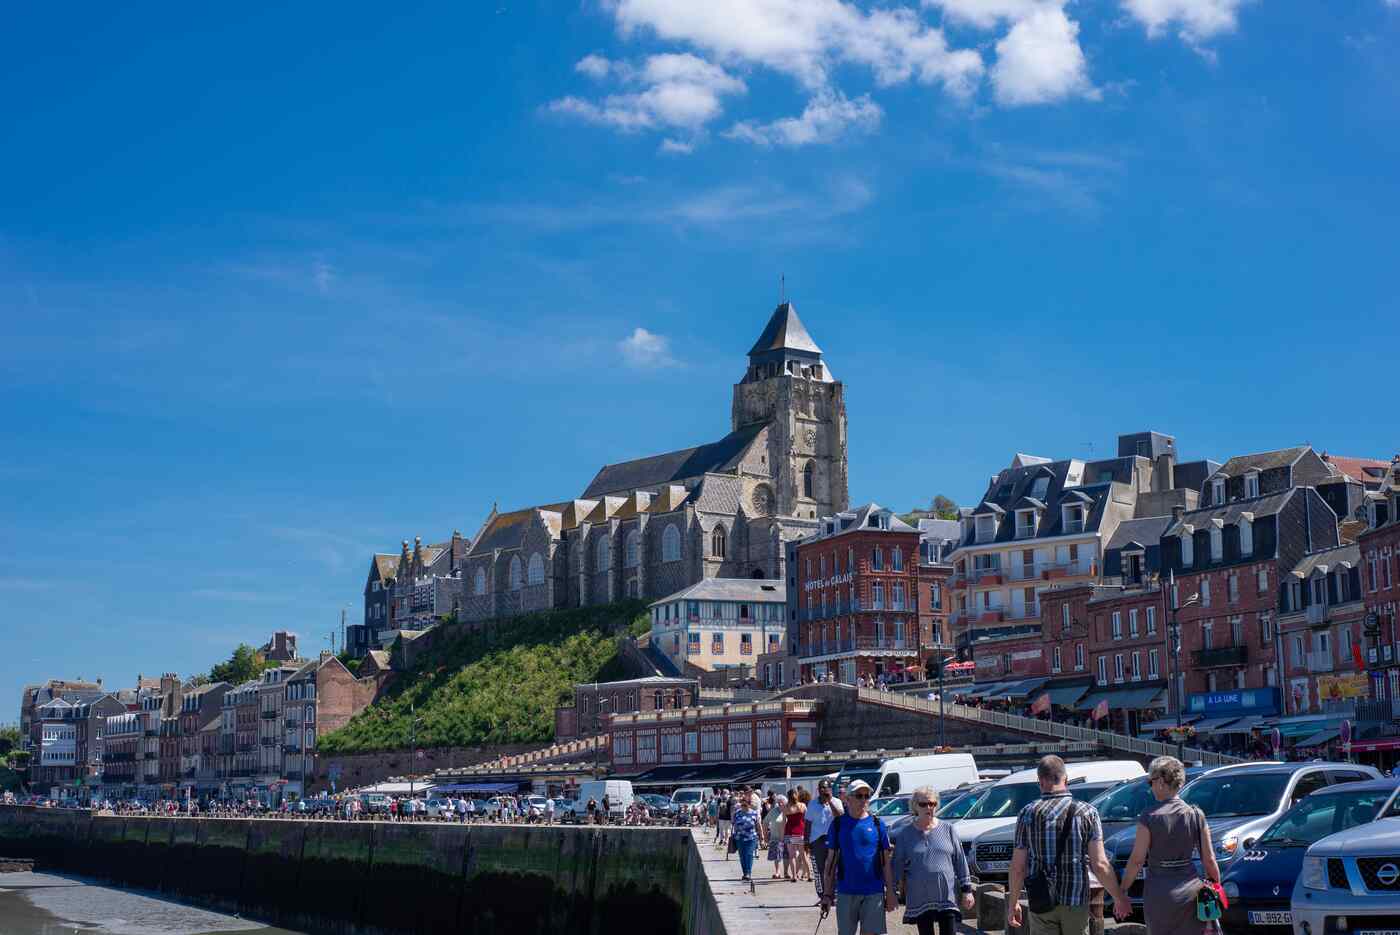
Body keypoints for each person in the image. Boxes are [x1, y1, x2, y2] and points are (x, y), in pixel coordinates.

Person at [1006, 755, 1130, 935]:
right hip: (1075, 898)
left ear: (1040, 781)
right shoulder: (1088, 812)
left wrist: (1013, 903)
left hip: (1041, 899)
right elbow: (1100, 864)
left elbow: (1018, 867)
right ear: (1066, 779)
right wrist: (1119, 897)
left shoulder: (1027, 814)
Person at [1119, 756, 1221, 935]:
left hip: (1158, 893)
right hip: (1191, 891)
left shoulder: (1149, 816)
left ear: (1160, 782)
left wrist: (1123, 891)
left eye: (1150, 781)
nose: (1149, 787)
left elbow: (1136, 861)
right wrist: (1217, 888)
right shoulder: (1196, 815)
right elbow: (1209, 860)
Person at [891, 786, 974, 935]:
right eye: (923, 804)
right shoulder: (906, 833)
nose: (928, 807)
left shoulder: (948, 829)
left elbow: (960, 860)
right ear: (915, 806)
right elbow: (896, 864)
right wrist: (892, 892)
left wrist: (967, 890)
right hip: (920, 896)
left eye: (932, 804)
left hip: (946, 896)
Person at [821, 779, 894, 935]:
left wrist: (890, 892)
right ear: (847, 799)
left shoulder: (877, 824)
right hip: (846, 891)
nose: (864, 800)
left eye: (866, 796)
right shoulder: (838, 825)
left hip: (874, 892)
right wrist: (827, 894)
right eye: (859, 796)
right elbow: (830, 863)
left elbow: (885, 863)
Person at [807, 779, 845, 902]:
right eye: (820, 788)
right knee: (821, 869)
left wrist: (829, 802)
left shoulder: (836, 801)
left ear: (830, 789)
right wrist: (806, 841)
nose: (823, 790)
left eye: (825, 787)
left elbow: (840, 816)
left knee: (835, 868)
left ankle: (835, 894)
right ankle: (824, 896)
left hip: (834, 839)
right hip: (818, 840)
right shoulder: (812, 804)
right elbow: (808, 823)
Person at [731, 786, 766, 883]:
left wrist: (762, 837)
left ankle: (748, 873)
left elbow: (759, 826)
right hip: (739, 838)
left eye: (745, 805)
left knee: (749, 854)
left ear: (749, 805)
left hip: (751, 837)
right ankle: (745, 872)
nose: (743, 806)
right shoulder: (737, 813)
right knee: (742, 856)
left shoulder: (754, 813)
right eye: (742, 805)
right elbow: (733, 824)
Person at [785, 786, 810, 882]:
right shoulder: (802, 805)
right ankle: (808, 875)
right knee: (803, 855)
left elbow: (784, 821)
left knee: (792, 856)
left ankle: (794, 876)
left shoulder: (786, 807)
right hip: (800, 831)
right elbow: (807, 819)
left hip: (789, 832)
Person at [765, 792, 789, 879]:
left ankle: (786, 872)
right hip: (775, 837)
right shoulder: (773, 811)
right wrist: (765, 835)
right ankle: (777, 872)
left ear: (786, 802)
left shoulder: (789, 811)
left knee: (787, 855)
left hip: (787, 837)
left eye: (781, 802)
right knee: (777, 856)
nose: (779, 804)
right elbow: (765, 822)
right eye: (778, 802)